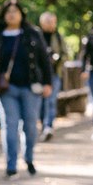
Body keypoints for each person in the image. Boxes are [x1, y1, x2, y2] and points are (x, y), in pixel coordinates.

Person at [0, 0, 54, 177]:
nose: (12, 15)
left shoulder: (32, 34)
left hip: (30, 88)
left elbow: (44, 60)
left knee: (29, 125)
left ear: (21, 15)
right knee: (9, 125)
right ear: (4, 16)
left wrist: (48, 83)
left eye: (15, 12)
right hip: (6, 90)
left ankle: (28, 158)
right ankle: (11, 164)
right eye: (8, 12)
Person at [37, 11, 66, 140]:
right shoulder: (36, 36)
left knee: (50, 101)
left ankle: (48, 127)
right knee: (40, 103)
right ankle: (43, 125)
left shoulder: (58, 37)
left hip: (54, 74)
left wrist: (58, 59)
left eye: (53, 21)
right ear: (42, 22)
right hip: (38, 76)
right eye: (48, 21)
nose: (51, 24)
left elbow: (65, 54)